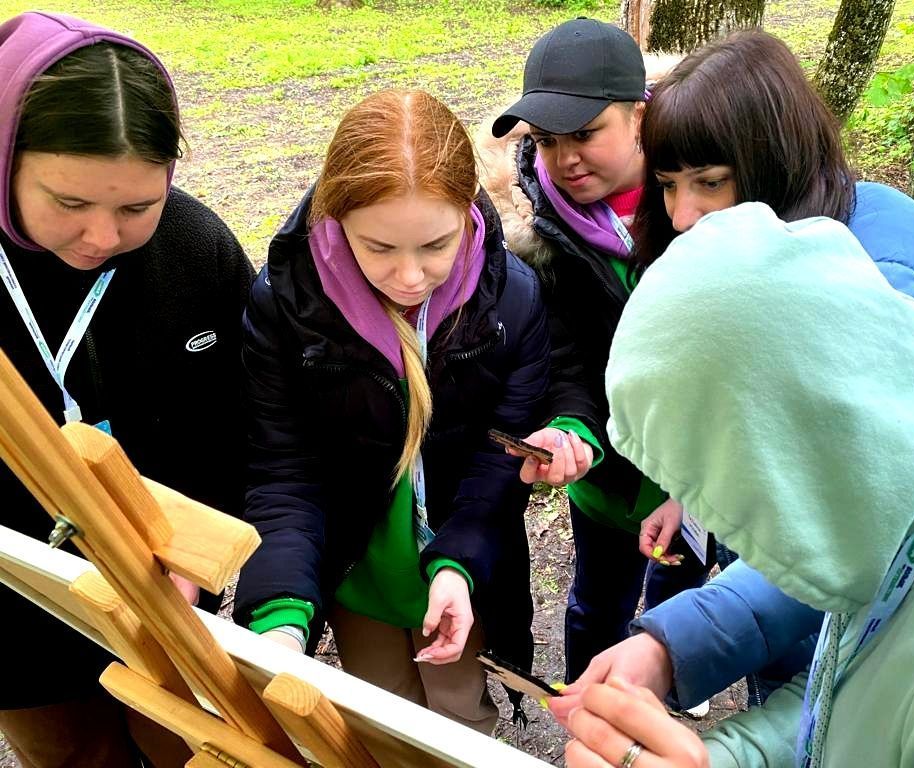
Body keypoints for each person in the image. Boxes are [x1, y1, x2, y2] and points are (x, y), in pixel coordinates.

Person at [550, 28, 914, 719]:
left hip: (889, 612)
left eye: (710, 182)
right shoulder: (786, 245)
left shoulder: (872, 288)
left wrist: (674, 645)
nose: (683, 216)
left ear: (774, 160)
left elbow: (857, 539)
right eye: (668, 184)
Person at [565, 201, 914, 767]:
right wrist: (685, 681)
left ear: (789, 469)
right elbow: (861, 697)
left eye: (732, 512)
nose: (741, 547)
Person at [232, 89, 549, 733]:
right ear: (335, 217)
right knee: (384, 717)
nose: (409, 278)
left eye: (435, 245)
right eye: (377, 248)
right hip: (357, 568)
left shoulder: (511, 300)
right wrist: (281, 615)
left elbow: (501, 456)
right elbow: (281, 466)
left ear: (469, 210)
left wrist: (459, 563)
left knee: (461, 711)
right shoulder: (286, 306)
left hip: (463, 552)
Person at [0, 12, 253, 767]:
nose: (102, 237)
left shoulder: (195, 247)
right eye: (69, 204)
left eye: (136, 206)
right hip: (16, 603)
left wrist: (199, 564)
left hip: (165, 588)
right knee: (73, 757)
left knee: (188, 748)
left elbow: (241, 422)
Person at [479, 17, 709, 686]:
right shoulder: (531, 240)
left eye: (585, 134)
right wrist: (571, 431)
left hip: (701, 477)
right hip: (607, 479)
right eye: (548, 140)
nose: (565, 158)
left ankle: (674, 685)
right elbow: (564, 362)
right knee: (598, 602)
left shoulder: (705, 202)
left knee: (680, 592)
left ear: (640, 116)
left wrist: (701, 482)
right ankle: (585, 703)